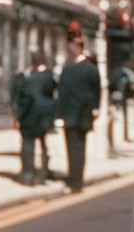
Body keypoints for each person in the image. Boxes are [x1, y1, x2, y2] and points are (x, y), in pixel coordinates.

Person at [56, 35, 100, 193]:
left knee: (75, 148)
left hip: (75, 114)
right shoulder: (87, 69)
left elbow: (96, 91)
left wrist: (59, 115)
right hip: (78, 114)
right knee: (76, 148)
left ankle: (75, 181)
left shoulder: (73, 69)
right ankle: (75, 180)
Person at [10, 49, 57, 185]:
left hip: (28, 117)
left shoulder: (24, 77)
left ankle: (28, 174)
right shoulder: (49, 76)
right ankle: (43, 173)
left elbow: (17, 98)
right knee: (43, 145)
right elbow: (51, 93)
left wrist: (16, 116)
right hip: (44, 117)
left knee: (27, 146)